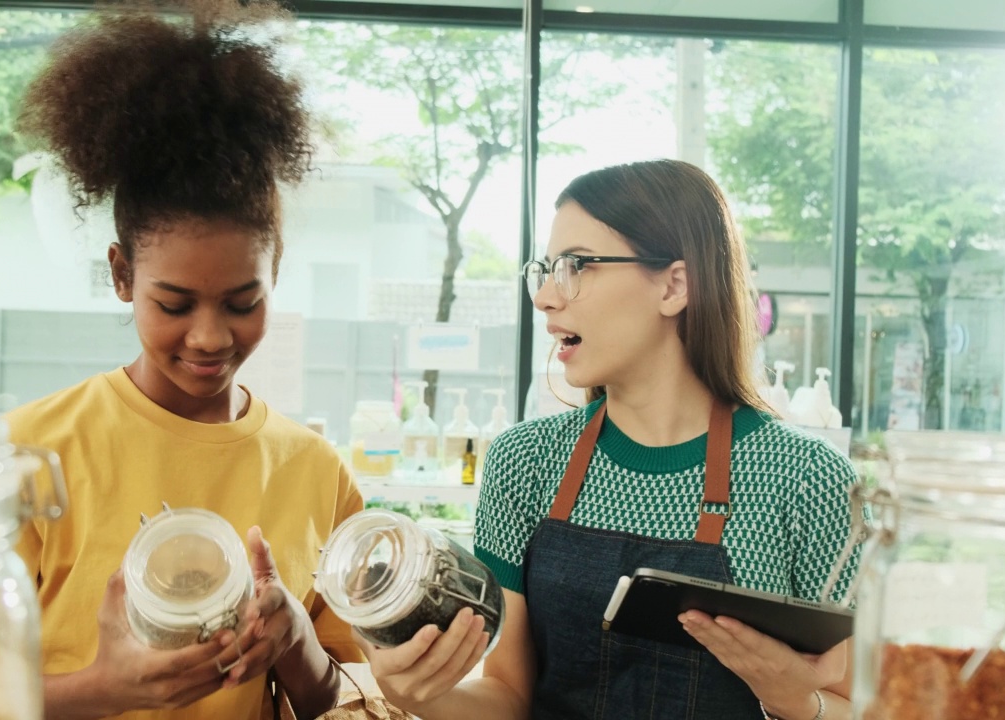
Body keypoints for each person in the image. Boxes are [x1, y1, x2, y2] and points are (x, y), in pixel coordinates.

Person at [357, 159, 862, 720]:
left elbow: (867, 707)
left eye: (575, 265)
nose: (545, 296)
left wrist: (799, 701)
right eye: (545, 270)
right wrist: (420, 694)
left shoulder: (809, 480)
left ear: (674, 285)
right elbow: (507, 696)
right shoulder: (524, 462)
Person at [8, 3, 362, 719]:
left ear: (276, 272)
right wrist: (96, 692)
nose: (209, 338)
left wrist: (297, 645)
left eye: (241, 302)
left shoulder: (316, 472)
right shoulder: (28, 454)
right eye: (174, 304)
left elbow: (349, 702)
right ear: (120, 275)